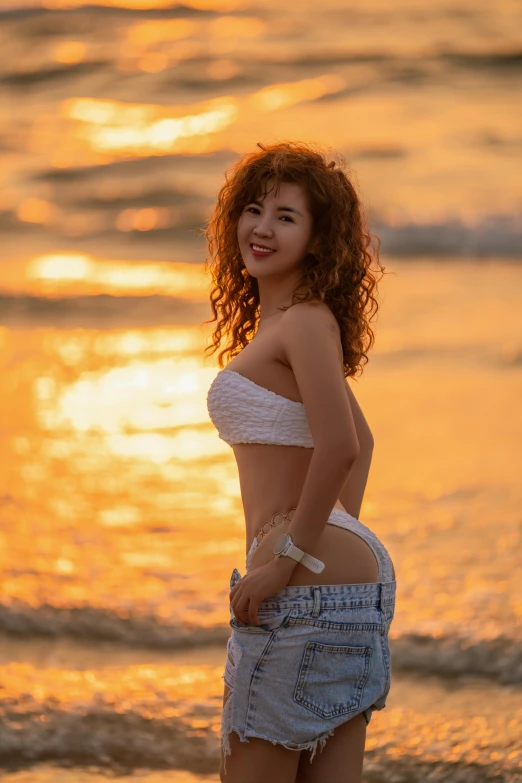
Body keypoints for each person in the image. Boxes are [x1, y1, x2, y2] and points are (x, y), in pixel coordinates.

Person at [204, 141, 396, 783]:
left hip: (306, 580)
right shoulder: (289, 322)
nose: (262, 227)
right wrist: (331, 543)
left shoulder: (304, 322)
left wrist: (292, 560)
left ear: (318, 239)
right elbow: (362, 444)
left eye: (287, 216)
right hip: (337, 583)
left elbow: (341, 446)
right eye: (254, 209)